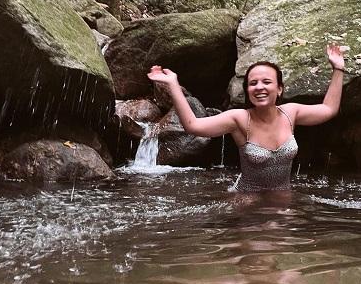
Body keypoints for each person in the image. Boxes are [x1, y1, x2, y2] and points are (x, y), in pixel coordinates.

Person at [147, 44, 345, 192]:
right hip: (248, 200)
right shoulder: (240, 119)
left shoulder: (291, 112)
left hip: (283, 197)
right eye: (253, 83)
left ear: (279, 89)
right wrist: (173, 84)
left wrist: (338, 69)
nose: (259, 87)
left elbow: (328, 109)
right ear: (247, 91)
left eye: (267, 82)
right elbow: (193, 126)